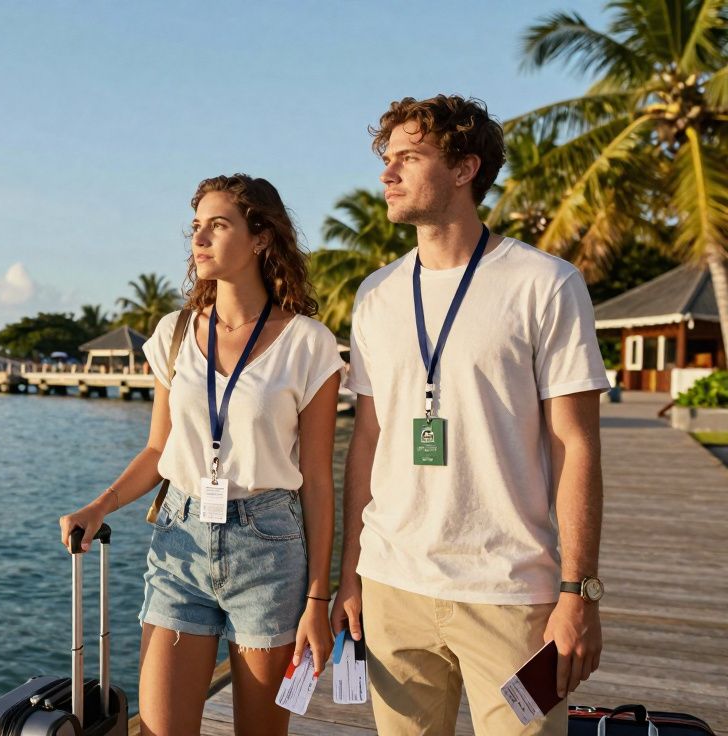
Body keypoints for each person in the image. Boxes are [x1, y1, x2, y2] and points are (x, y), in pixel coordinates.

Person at [330, 95, 609, 735]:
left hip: (510, 593)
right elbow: (367, 441)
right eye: (387, 158)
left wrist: (579, 593)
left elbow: (576, 446)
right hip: (392, 585)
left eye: (409, 157)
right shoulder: (376, 294)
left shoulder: (545, 284)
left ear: (463, 169)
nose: (387, 174)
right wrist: (351, 574)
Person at [60, 174, 344, 735]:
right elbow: (157, 449)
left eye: (218, 225)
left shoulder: (308, 342)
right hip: (179, 544)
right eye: (196, 226)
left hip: (268, 548)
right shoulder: (174, 332)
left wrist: (318, 596)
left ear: (261, 237)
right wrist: (99, 506)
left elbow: (316, 480)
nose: (199, 238)